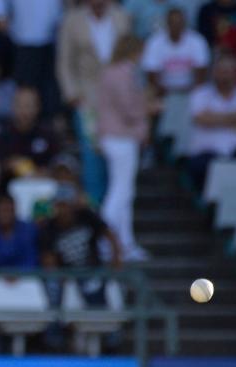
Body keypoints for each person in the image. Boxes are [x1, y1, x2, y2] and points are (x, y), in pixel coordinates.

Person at [57, 0, 131, 204]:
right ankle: (95, 205)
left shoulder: (121, 17)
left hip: (117, 99)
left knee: (117, 154)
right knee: (91, 153)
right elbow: (65, 60)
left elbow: (128, 57)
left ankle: (115, 206)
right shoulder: (73, 20)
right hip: (86, 98)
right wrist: (71, 94)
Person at [97, 35, 151, 261]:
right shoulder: (125, 72)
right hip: (120, 137)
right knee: (120, 192)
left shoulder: (112, 72)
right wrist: (149, 106)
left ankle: (126, 244)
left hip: (115, 136)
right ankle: (102, 240)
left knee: (126, 192)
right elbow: (129, 108)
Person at [187, 56, 236, 190]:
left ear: (235, 74)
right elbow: (201, 119)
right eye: (221, 71)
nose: (224, 76)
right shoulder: (200, 94)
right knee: (197, 168)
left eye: (228, 71)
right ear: (214, 73)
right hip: (207, 153)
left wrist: (215, 118)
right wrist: (235, 117)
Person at [38, 186, 121, 307]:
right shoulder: (49, 227)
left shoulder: (86, 216)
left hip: (93, 269)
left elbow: (109, 234)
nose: (62, 210)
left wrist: (116, 257)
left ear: (72, 205)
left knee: (95, 292)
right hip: (67, 274)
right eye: (58, 205)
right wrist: (59, 275)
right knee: (54, 289)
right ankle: (55, 324)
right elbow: (48, 259)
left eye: (65, 205)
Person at [0, 0, 63, 115]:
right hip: (23, 35)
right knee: (25, 89)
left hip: (55, 34)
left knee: (51, 89)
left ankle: (49, 124)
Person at [0, 86, 59, 179]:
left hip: (43, 185)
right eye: (20, 105)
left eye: (28, 105)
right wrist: (11, 165)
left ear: (38, 107)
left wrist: (45, 171)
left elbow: (56, 163)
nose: (24, 111)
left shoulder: (49, 134)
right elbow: (0, 165)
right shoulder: (2, 136)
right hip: (10, 187)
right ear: (13, 107)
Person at [142, 7, 211, 95]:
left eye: (179, 22)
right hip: (163, 92)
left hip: (192, 91)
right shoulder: (154, 42)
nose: (176, 26)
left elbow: (202, 71)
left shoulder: (197, 40)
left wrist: (192, 90)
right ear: (167, 23)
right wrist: (162, 91)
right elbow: (151, 73)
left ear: (184, 23)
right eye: (173, 23)